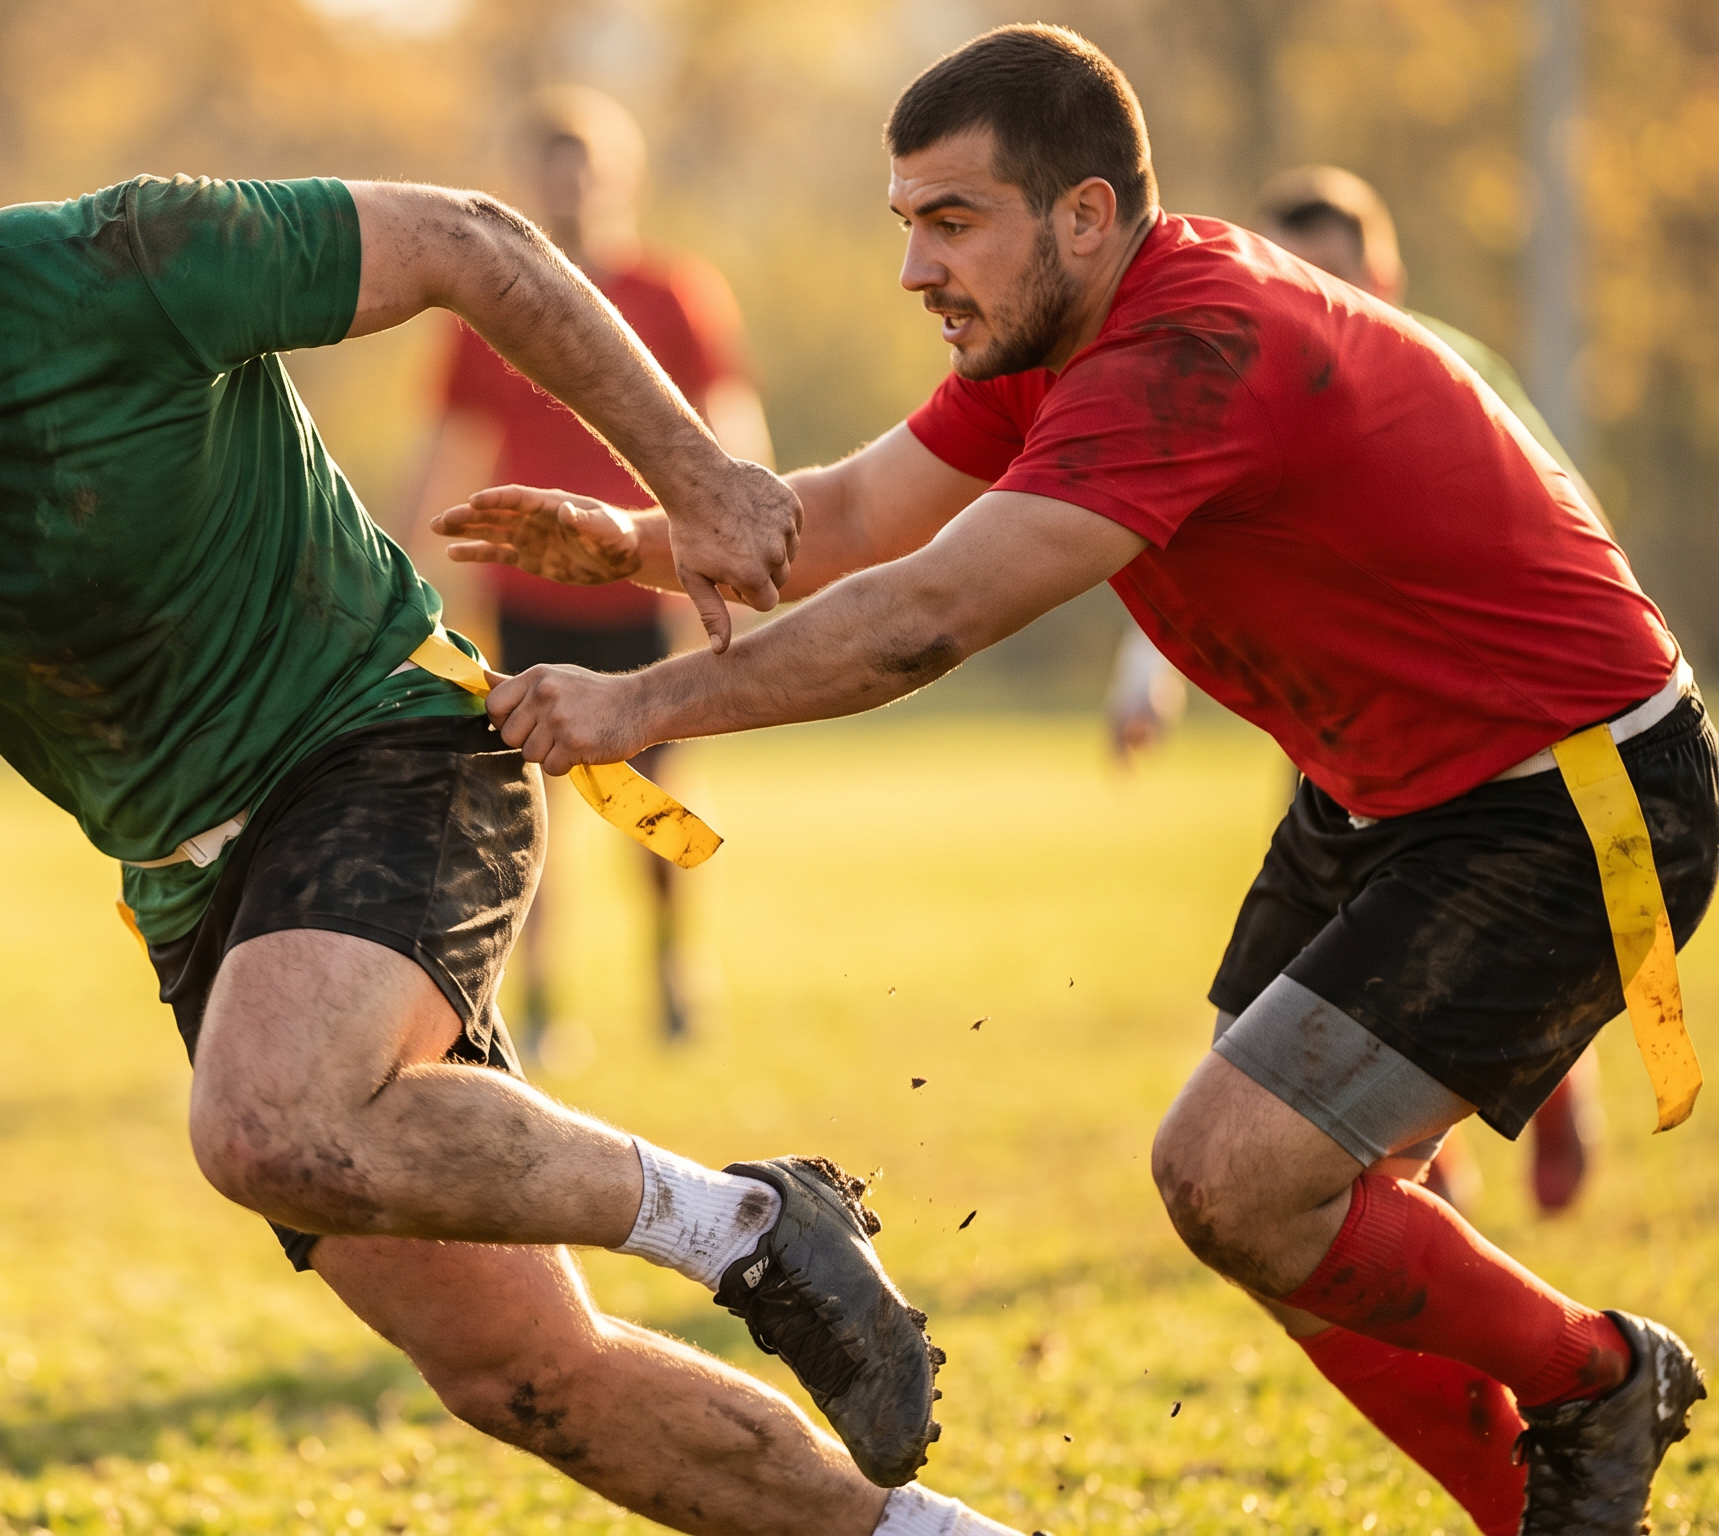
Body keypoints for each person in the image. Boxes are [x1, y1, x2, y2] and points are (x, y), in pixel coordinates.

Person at [0, 43, 1012, 1536]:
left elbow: (468, 244)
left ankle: (746, 1229)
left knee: (264, 1126)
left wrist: (696, 476)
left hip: (385, 746)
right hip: (196, 893)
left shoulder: (128, 260)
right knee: (520, 1373)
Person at [441, 24, 1707, 1535]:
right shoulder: (1052, 339)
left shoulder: (1185, 345)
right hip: (1394, 792)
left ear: (1087, 214)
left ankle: (1594, 1379)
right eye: (905, 222)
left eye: (953, 221)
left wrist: (633, 696)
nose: (916, 268)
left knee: (1241, 1180)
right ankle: (1545, 1499)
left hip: (1563, 790)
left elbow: (921, 620)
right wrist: (641, 543)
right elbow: (849, 514)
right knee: (1279, 1204)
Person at [1106, 163, 1611, 1222]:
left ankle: (1549, 1083)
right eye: (1290, 270)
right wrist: (1143, 680)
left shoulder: (1446, 366)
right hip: (1330, 722)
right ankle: (1425, 1161)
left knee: (1478, 920)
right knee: (1353, 930)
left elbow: (1567, 520)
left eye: (1334, 272)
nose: (1311, 292)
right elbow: (1168, 537)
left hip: (1474, 715)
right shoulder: (1242, 382)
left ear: (1384, 270)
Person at [407, 86, 771, 1049]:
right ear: (534, 182)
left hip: (644, 583)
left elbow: (730, 431)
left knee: (651, 801)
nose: (572, 186)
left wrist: (742, 548)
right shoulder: (486, 307)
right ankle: (533, 1004)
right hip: (526, 592)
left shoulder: (673, 294)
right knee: (528, 813)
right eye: (555, 167)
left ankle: (673, 972)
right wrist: (404, 574)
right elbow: (447, 446)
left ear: (621, 179)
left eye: (589, 167)